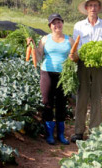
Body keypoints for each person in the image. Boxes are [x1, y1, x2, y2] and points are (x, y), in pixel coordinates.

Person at [70, 0, 102, 143]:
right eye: (90, 5)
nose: (93, 8)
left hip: (100, 65)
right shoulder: (79, 26)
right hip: (83, 64)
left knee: (96, 97)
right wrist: (81, 56)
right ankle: (78, 131)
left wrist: (99, 56)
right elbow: (77, 45)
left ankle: (94, 132)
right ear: (86, 8)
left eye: (96, 5)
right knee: (81, 96)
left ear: (99, 8)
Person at [27, 13, 74, 145]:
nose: (57, 25)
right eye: (54, 23)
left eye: (59, 22)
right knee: (47, 102)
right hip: (47, 72)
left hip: (63, 75)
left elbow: (75, 57)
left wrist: (73, 58)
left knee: (61, 103)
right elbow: (39, 55)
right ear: (50, 26)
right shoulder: (45, 39)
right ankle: (49, 134)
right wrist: (32, 46)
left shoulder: (69, 40)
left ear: (62, 23)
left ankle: (60, 134)